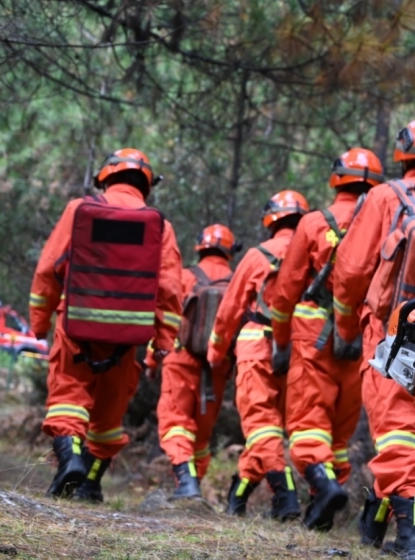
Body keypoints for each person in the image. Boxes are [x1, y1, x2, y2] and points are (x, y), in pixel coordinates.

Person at [332, 115, 415, 559]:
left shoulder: (385, 197)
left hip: (390, 332)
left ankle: (414, 538)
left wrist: (345, 327)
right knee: (404, 433)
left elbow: (351, 271)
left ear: (404, 150)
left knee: (395, 433)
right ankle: (373, 525)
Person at [30, 148, 182, 502]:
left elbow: (48, 269)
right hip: (126, 337)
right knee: (109, 416)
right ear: (146, 184)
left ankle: (70, 461)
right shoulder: (160, 226)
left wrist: (39, 322)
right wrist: (163, 341)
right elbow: (170, 289)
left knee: (68, 398)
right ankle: (89, 485)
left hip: (76, 325)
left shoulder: (79, 210)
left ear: (105, 176)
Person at [269, 148, 385, 531]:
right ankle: (323, 510)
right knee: (339, 430)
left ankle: (323, 485)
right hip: (362, 336)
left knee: (308, 421)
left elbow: (285, 292)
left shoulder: (314, 223)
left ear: (336, 179)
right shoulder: (387, 222)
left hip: (313, 335)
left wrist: (281, 342)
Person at [207, 190, 310, 519]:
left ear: (271, 220)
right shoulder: (314, 254)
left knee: (261, 425)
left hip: (256, 348)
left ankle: (285, 493)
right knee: (269, 429)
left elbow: (229, 310)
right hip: (300, 350)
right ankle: (237, 498)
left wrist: (216, 351)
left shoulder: (257, 255)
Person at [152, 224, 238, 498]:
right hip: (217, 366)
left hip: (180, 359)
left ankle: (186, 483)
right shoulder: (236, 281)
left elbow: (164, 319)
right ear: (229, 251)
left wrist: (152, 359)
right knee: (201, 434)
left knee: (175, 421)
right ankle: (193, 485)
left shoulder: (185, 276)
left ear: (200, 247)